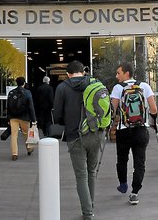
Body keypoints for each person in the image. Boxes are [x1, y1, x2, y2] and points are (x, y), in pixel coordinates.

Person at [53, 61, 102, 220]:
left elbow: (58, 114)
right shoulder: (93, 84)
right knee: (91, 172)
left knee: (81, 176)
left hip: (74, 136)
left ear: (68, 74)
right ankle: (90, 205)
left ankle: (88, 213)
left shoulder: (62, 87)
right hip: (94, 134)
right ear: (83, 71)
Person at [109, 62, 158, 205]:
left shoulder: (118, 88)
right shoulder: (145, 86)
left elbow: (113, 110)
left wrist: (110, 122)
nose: (117, 76)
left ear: (126, 73)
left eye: (119, 73)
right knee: (139, 162)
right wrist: (153, 121)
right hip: (141, 130)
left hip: (123, 130)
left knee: (122, 159)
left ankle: (123, 184)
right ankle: (135, 192)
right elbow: (153, 109)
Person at [7, 76, 36, 160]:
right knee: (26, 134)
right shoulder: (27, 93)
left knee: (14, 135)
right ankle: (29, 148)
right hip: (24, 117)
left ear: (17, 83)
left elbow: (8, 106)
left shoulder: (11, 92)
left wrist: (8, 118)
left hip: (13, 117)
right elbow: (31, 106)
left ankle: (14, 153)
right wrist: (33, 119)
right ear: (24, 83)